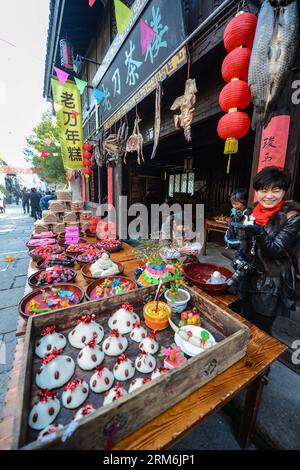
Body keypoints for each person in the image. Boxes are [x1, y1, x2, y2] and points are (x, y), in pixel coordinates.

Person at [231, 166, 300, 334]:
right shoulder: (250, 211)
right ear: (256, 192)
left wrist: (259, 231)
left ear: (284, 192)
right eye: (263, 190)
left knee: (261, 328)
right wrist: (239, 256)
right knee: (241, 319)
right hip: (248, 275)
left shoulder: (291, 217)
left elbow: (276, 249)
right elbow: (245, 244)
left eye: (275, 190)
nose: (269, 196)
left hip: (271, 281)